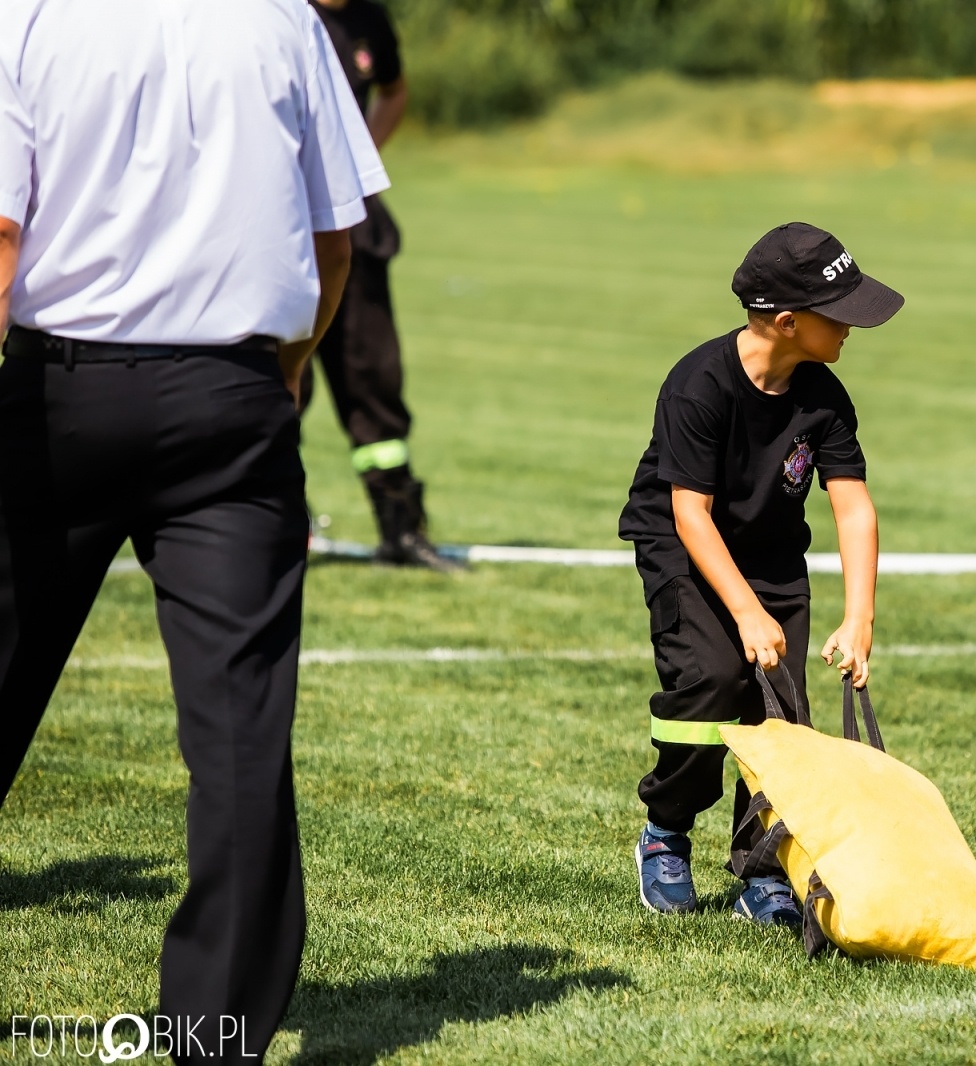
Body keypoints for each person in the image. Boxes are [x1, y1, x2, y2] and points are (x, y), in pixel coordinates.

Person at [0, 1, 385, 1059]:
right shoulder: (285, 21)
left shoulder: (26, 15)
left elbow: (0, 232)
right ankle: (215, 1037)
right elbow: (334, 239)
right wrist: (291, 368)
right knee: (239, 735)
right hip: (233, 395)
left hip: (57, 397)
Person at [618, 222, 902, 924]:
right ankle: (665, 834)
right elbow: (690, 513)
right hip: (685, 547)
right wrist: (746, 612)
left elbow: (854, 508)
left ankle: (763, 868)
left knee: (782, 715)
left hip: (772, 553)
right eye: (840, 316)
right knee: (709, 686)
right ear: (786, 321)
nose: (851, 329)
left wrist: (860, 616)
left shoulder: (823, 398)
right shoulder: (699, 386)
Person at [305, 0, 460, 572]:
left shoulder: (371, 19)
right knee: (274, 385)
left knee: (373, 377)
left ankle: (400, 527)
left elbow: (394, 91)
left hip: (355, 228)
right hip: (282, 221)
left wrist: (358, 160)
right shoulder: (277, 13)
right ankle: (273, 523)